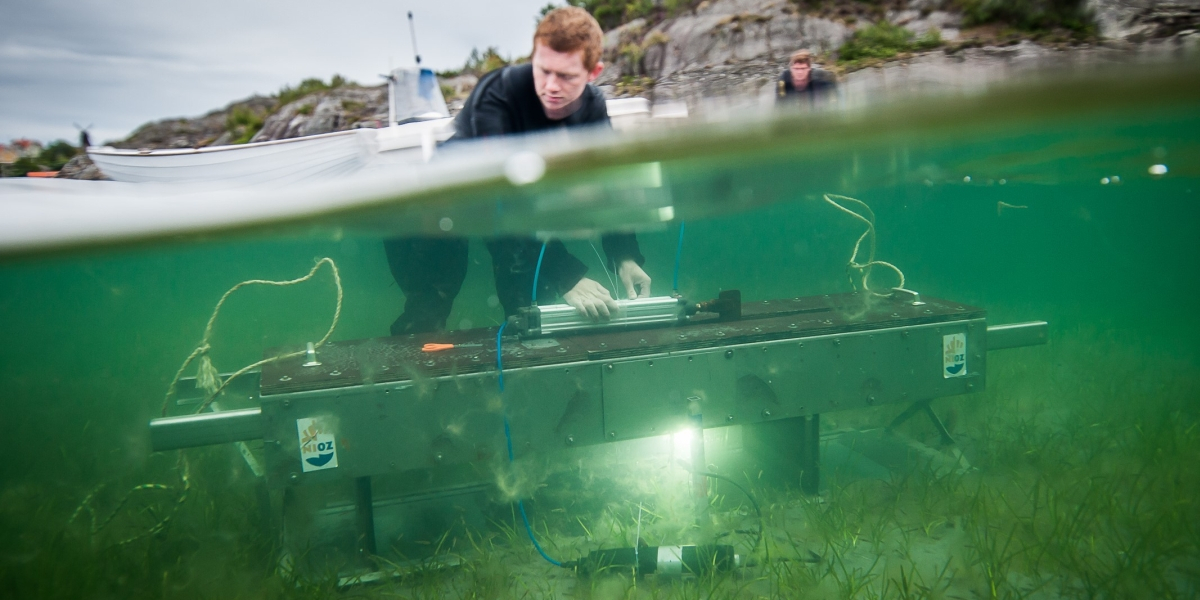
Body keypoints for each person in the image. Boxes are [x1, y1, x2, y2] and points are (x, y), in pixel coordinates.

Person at [384, 7, 652, 336]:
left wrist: (624, 254)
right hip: (434, 206)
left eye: (567, 75)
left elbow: (607, 184)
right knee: (432, 303)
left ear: (592, 73)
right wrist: (566, 274)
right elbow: (495, 202)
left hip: (507, 213)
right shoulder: (497, 97)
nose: (551, 87)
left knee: (532, 308)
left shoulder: (593, 107)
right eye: (543, 70)